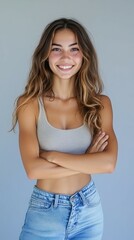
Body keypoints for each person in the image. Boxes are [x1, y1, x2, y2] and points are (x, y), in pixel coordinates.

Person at [12, 18, 118, 240]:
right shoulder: (29, 104)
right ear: (45, 55)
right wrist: (87, 160)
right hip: (44, 212)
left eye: (74, 49)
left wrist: (52, 156)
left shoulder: (100, 104)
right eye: (56, 49)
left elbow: (108, 164)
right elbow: (33, 170)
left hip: (88, 210)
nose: (66, 57)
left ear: (84, 55)